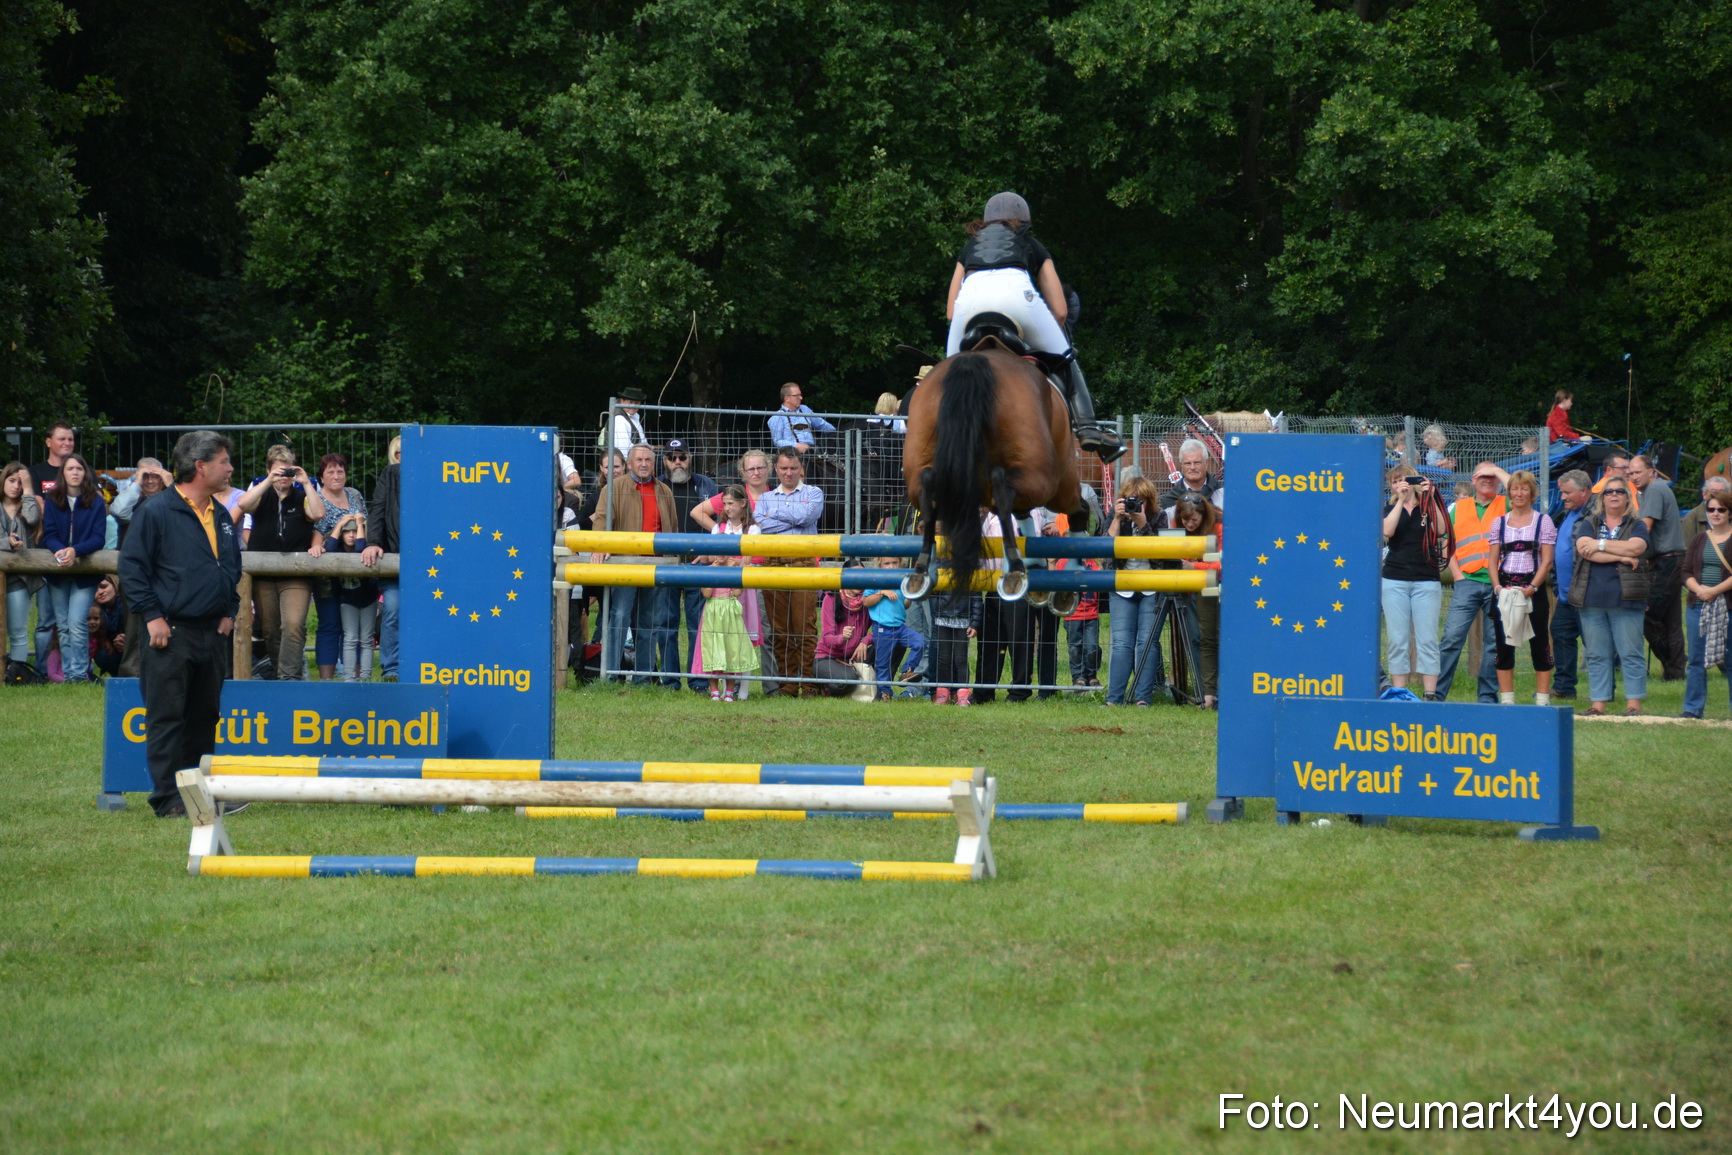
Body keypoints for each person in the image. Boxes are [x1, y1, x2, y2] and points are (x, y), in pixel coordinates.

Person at [943, 191, 1124, 461]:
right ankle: (1088, 429)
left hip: (968, 306)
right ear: (1024, 221)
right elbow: (1061, 311)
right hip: (1018, 300)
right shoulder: (1032, 244)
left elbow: (949, 312)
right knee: (1065, 357)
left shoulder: (968, 248)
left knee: (948, 375)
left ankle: (943, 433)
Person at [118, 431, 243, 817]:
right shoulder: (155, 512)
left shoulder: (221, 514)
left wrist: (229, 610)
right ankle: (167, 800)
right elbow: (132, 568)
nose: (230, 468)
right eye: (224, 461)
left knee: (204, 718)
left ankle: (196, 795)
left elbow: (230, 566)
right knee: (168, 717)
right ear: (201, 466)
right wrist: (152, 617)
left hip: (212, 633)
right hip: (170, 634)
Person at [591, 444, 677, 683]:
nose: (643, 464)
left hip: (656, 567)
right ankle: (610, 675)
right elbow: (600, 520)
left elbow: (673, 528)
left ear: (654, 463)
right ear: (629, 464)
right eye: (638, 459)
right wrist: (599, 546)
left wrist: (673, 561)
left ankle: (644, 677)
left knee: (650, 622)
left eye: (648, 460)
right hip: (624, 565)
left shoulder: (664, 491)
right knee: (619, 618)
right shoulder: (613, 489)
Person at [237, 450, 325, 679]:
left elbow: (318, 514)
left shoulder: (301, 495)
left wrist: (305, 483)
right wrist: (269, 481)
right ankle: (278, 674)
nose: (284, 475)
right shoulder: (261, 495)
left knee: (294, 626)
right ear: (268, 470)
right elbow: (243, 504)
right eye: (278, 470)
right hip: (264, 573)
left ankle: (290, 678)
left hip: (295, 573)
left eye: (288, 470)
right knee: (270, 630)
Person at [1568, 477, 1652, 716]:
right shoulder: (1589, 522)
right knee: (1596, 653)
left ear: (1627, 497)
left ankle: (1633, 706)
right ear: (1601, 498)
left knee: (1631, 652)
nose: (1614, 495)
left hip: (1627, 598)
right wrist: (1619, 554)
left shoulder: (1637, 524)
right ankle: (1598, 704)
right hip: (1591, 598)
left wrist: (1601, 545)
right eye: (1609, 492)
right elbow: (1584, 549)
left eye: (1619, 491)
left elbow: (1636, 548)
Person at [1435, 462, 1509, 702]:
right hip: (1466, 580)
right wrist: (1457, 575)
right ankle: (1436, 693)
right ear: (1473, 480)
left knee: (1494, 644)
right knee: (1451, 640)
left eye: (1492, 477)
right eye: (1483, 477)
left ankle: (1487, 696)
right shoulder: (1459, 507)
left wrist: (1497, 470)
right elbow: (1447, 541)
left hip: (1499, 583)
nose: (1488, 480)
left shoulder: (1507, 504)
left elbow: (1520, 489)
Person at [754, 448, 825, 696]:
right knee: (779, 628)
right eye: (784, 468)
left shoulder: (814, 493)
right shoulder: (765, 498)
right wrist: (794, 516)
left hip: (804, 563)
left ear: (800, 468)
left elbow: (807, 517)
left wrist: (777, 514)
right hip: (773, 563)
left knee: (805, 626)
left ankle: (808, 683)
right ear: (776, 469)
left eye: (793, 468)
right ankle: (787, 683)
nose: (789, 473)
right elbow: (761, 523)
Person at [1487, 470, 1557, 705]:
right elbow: (1492, 559)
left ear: (1532, 493)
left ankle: (1543, 699)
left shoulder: (1543, 521)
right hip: (1505, 589)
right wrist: (1497, 588)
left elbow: (1547, 561)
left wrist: (1533, 588)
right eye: (1515, 489)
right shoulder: (1499, 523)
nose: (1519, 493)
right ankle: (1507, 700)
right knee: (1504, 643)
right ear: (1508, 493)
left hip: (1532, 589)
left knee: (1539, 642)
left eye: (1524, 489)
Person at [655, 438, 718, 691]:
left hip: (699, 563)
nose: (677, 462)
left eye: (682, 456)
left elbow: (721, 520)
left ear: (690, 458)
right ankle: (670, 680)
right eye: (672, 457)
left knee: (698, 624)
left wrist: (710, 552)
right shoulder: (657, 486)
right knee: (666, 623)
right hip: (667, 563)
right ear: (665, 461)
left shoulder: (706, 484)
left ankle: (699, 679)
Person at [39, 454, 108, 684]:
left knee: (77, 622)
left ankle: (80, 674)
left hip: (84, 573)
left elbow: (98, 538)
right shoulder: (51, 499)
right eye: (70, 469)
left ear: (85, 473)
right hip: (58, 573)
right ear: (63, 473)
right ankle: (68, 674)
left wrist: (74, 551)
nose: (75, 472)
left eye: (79, 468)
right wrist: (60, 550)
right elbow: (48, 534)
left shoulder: (96, 501)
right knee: (63, 625)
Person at [1104, 474, 1165, 706]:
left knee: (1147, 643)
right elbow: (1106, 554)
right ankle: (1114, 699)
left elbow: (1160, 557)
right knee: (1121, 643)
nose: (1136, 505)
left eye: (1141, 501)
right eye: (1131, 500)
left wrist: (1142, 523)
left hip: (1152, 585)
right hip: (1122, 585)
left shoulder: (1159, 518)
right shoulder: (1115, 516)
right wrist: (1118, 519)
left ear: (1149, 501)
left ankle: (1142, 699)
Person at [696, 486, 761, 701]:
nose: (727, 508)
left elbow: (746, 561)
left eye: (731, 503)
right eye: (725, 504)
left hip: (741, 588)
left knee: (741, 638)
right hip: (720, 587)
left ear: (743, 504)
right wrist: (718, 559)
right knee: (722, 637)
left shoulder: (752, 530)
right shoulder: (718, 529)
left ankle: (742, 689)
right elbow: (709, 556)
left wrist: (731, 560)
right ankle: (723, 688)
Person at [1628, 453, 1687, 680]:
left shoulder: (1653, 490)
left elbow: (1645, 528)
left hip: (1667, 561)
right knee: (1671, 621)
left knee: (1648, 615)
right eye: (1630, 473)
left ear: (1651, 471)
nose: (1633, 477)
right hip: (1669, 559)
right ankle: (1675, 673)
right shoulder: (1653, 490)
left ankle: (1672, 663)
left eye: (1637, 472)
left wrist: (1628, 552)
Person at [309, 453, 367, 680]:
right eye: (330, 472)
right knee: (330, 623)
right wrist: (316, 548)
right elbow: (314, 529)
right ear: (321, 476)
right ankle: (326, 680)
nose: (336, 476)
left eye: (340, 471)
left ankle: (357, 679)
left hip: (355, 570)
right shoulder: (315, 498)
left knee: (355, 627)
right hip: (328, 570)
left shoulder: (355, 495)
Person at [1680, 488, 1731, 719]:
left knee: (1730, 660)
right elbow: (1686, 571)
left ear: (1729, 512)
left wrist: (1714, 591)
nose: (1716, 513)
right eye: (1711, 509)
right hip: (1697, 604)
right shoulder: (1699, 539)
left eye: (1721, 509)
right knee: (1696, 660)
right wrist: (1699, 590)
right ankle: (1692, 709)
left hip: (1727, 605)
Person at [27, 422, 75, 667]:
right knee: (46, 618)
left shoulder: (80, 469)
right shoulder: (36, 473)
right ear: (48, 442)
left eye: (70, 439)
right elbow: (38, 509)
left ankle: (75, 670)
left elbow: (96, 502)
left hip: (79, 553)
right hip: (45, 552)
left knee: (74, 620)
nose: (67, 443)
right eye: (62, 439)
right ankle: (40, 669)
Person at [1172, 493, 1222, 708]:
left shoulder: (1218, 526)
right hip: (1186, 588)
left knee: (1209, 638)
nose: (1189, 524)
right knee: (1192, 638)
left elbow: (1224, 563)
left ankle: (1211, 692)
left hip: (1211, 587)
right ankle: (1201, 690)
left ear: (1204, 516)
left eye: (1194, 520)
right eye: (1185, 520)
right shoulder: (1175, 525)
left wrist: (1195, 566)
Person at [1548, 469, 1594, 700]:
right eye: (1562, 492)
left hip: (1587, 593)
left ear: (1584, 491)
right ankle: (1564, 688)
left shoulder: (1595, 515)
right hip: (1567, 596)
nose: (1563, 497)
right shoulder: (1570, 513)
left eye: (1567, 493)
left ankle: (1602, 692)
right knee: (1560, 633)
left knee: (1594, 644)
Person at [358, 436, 401, 681]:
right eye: (398, 454)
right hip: (393, 558)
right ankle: (391, 668)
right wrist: (373, 543)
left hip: (428, 563)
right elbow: (377, 511)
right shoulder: (389, 476)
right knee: (392, 609)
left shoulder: (430, 478)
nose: (403, 459)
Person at [862, 557, 926, 700]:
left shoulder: (902, 580)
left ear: (900, 563)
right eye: (887, 563)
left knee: (920, 642)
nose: (891, 566)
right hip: (883, 628)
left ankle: (907, 671)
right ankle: (885, 693)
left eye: (894, 563)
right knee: (883, 663)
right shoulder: (875, 580)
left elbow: (905, 605)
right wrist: (881, 592)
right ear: (880, 564)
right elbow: (866, 601)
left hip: (900, 627)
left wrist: (911, 595)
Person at [327, 512, 379, 681]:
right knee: (349, 638)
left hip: (368, 599)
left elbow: (360, 549)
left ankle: (365, 678)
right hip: (347, 600)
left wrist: (360, 524)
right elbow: (329, 549)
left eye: (355, 532)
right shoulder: (338, 550)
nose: (351, 535)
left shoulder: (366, 549)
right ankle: (349, 678)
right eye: (347, 532)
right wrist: (339, 524)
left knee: (366, 639)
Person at [1, 462, 42, 674]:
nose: (16, 486)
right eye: (12, 480)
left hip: (21, 579)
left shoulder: (29, 503)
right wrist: (7, 542)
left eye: (20, 482)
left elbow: (32, 518)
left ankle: (16, 674)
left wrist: (28, 489)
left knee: (17, 631)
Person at [691, 450, 772, 529]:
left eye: (760, 468)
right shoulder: (735, 494)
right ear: (743, 472)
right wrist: (720, 532)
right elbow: (696, 512)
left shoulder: (778, 494)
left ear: (768, 468)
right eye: (751, 469)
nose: (756, 473)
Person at [812, 589, 871, 696]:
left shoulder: (868, 600)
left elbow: (883, 628)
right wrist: (841, 638)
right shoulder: (830, 598)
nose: (858, 582)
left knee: (893, 643)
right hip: (828, 658)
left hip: (855, 656)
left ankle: (883, 689)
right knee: (848, 680)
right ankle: (826, 686)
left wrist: (865, 641)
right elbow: (826, 638)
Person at [767, 383, 837, 455]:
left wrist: (838, 433)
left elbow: (822, 424)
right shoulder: (777, 417)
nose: (801, 398)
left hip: (812, 453)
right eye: (797, 396)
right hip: (791, 454)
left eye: (800, 395)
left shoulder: (805, 409)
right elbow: (777, 441)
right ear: (787, 398)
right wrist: (796, 446)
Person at [109, 457, 172, 535]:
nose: (150, 481)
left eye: (155, 476)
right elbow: (118, 511)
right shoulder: (132, 501)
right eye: (145, 476)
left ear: (162, 478)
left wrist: (171, 486)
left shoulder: (170, 498)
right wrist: (136, 483)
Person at [1163, 440, 1220, 508]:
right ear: (1181, 465)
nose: (1192, 467)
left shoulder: (1223, 492)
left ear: (1206, 463)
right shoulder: (1171, 501)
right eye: (1187, 463)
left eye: (1197, 463)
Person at [1682, 476, 1731, 542]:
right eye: (1714, 492)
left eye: (1721, 492)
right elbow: (1688, 547)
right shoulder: (1692, 517)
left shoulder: (1730, 513)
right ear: (1704, 494)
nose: (1717, 496)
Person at [609, 388, 650, 455]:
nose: (633, 406)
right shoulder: (619, 419)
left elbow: (643, 441)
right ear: (622, 401)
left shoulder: (634, 417)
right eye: (630, 402)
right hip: (627, 462)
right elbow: (623, 449)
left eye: (636, 403)